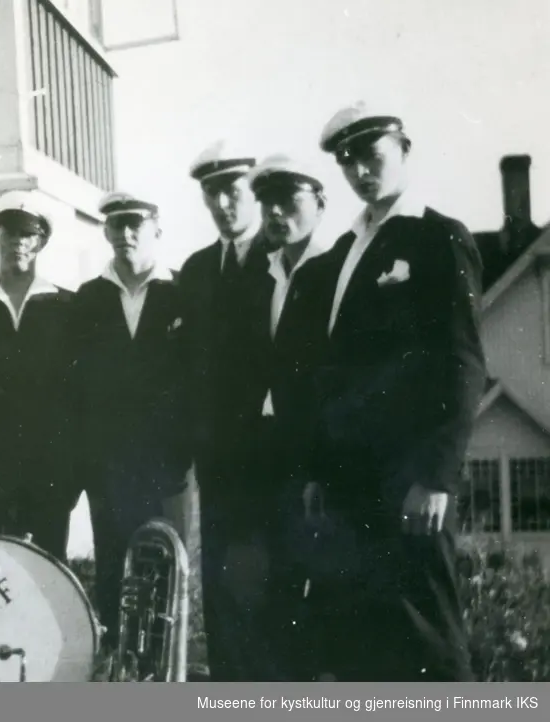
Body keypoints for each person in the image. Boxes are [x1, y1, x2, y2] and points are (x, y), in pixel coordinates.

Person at [303, 103, 485, 681]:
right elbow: (332, 374)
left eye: (373, 155)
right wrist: (318, 472)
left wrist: (436, 477)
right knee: (362, 642)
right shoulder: (344, 251)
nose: (360, 171)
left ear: (405, 149)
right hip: (350, 486)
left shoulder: (438, 237)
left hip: (410, 483)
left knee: (428, 634)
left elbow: (461, 363)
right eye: (348, 161)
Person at [176, 140, 278, 681]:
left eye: (232, 191)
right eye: (211, 194)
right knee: (221, 592)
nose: (223, 204)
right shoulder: (194, 273)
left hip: (274, 464)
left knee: (269, 593)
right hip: (217, 466)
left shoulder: (285, 259)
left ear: (254, 193)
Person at [73, 191, 192, 653]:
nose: (126, 233)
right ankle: (121, 675)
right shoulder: (87, 298)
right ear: (105, 231)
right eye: (117, 224)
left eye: (136, 224)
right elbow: (76, 388)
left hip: (169, 472)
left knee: (165, 582)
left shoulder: (182, 291)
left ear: (156, 230)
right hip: (109, 470)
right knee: (114, 582)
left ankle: (163, 677)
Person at [243, 153, 337, 680]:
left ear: (320, 204)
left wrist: (319, 467)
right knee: (277, 591)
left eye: (291, 201)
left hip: (315, 457)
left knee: (318, 592)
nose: (277, 213)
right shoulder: (270, 273)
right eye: (268, 203)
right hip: (270, 452)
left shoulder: (334, 268)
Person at [0, 191, 80, 562]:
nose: (18, 242)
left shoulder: (67, 307)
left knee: (49, 568)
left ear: (41, 242)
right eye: (9, 232)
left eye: (28, 235)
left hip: (50, 469)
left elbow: (78, 395)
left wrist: (70, 472)